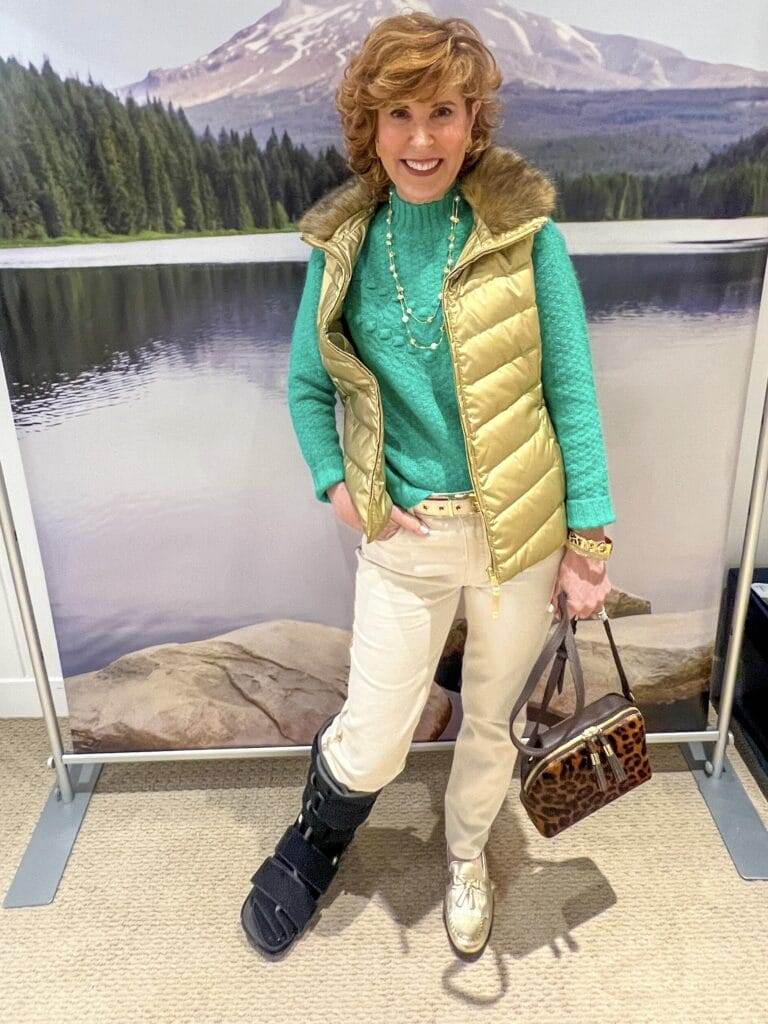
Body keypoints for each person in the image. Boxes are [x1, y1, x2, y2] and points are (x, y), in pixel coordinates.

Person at [241, 12, 616, 961]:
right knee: (375, 731)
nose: (420, 139)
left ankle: (464, 859)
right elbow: (304, 384)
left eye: (441, 112)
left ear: (473, 119)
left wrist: (590, 542)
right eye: (397, 113)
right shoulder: (343, 252)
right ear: (367, 125)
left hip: (516, 540)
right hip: (404, 541)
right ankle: (318, 837)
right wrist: (336, 481)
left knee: (489, 718)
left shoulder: (527, 242)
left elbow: (569, 393)